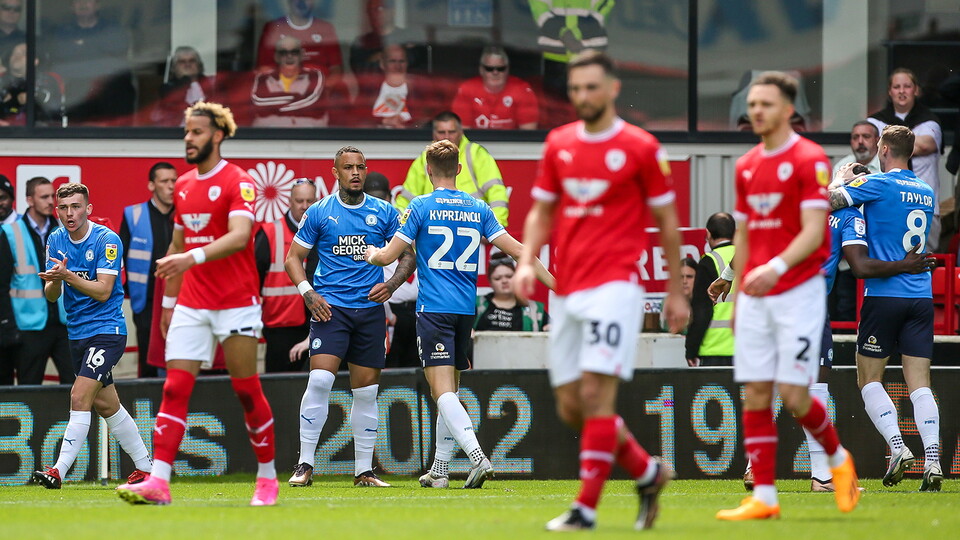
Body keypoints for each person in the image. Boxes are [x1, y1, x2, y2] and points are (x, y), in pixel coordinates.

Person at [511, 50, 684, 531]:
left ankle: (584, 508)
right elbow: (542, 212)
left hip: (616, 286)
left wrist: (674, 290)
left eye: (591, 87)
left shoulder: (642, 147)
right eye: (575, 89)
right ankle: (648, 472)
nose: (582, 96)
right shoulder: (558, 143)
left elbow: (667, 223)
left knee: (594, 395)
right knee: (571, 406)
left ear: (612, 89)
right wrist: (527, 261)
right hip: (566, 288)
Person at [366, 139, 554, 491]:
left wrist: (372, 253)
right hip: (465, 312)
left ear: (427, 171)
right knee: (449, 389)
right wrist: (560, 286)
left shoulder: (420, 205)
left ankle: (477, 456)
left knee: (441, 392)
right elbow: (519, 251)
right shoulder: (478, 207)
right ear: (460, 170)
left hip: (434, 309)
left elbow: (389, 256)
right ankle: (439, 470)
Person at [713, 71, 859, 521]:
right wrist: (738, 287)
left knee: (795, 394)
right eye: (751, 104)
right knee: (755, 393)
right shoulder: (746, 165)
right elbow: (746, 233)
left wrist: (773, 268)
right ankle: (765, 498)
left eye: (765, 104)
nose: (756, 110)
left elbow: (814, 230)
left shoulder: (809, 159)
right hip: (758, 295)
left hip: (798, 291)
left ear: (789, 110)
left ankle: (838, 460)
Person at [117, 102, 278, 506]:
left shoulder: (238, 182)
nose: (188, 138)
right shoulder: (184, 186)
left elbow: (241, 236)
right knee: (174, 389)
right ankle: (159, 481)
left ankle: (267, 478)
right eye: (186, 132)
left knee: (246, 390)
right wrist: (170, 302)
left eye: (197, 132)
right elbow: (176, 245)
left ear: (218, 135)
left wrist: (192, 257)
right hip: (192, 302)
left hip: (236, 302)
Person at [284, 146, 416, 489]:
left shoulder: (385, 212)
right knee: (319, 382)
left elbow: (408, 256)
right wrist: (308, 294)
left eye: (360, 167)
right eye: (348, 167)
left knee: (367, 393)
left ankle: (364, 472)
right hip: (331, 312)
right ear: (335, 172)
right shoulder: (318, 212)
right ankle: (304, 464)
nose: (355, 173)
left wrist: (391, 284)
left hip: (370, 313)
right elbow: (293, 258)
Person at [829, 125, 943, 492]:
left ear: (883, 149)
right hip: (921, 297)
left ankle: (897, 448)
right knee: (920, 386)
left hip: (884, 295)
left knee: (869, 379)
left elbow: (832, 202)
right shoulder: (925, 191)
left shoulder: (880, 184)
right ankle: (934, 460)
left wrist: (841, 180)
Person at [31, 182, 153, 488]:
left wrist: (68, 275)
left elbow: (103, 291)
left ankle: (57, 471)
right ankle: (146, 468)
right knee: (107, 405)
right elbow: (50, 295)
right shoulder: (55, 239)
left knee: (79, 394)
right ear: (56, 210)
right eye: (64, 208)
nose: (69, 213)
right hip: (78, 333)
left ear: (88, 209)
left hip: (108, 331)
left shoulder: (106, 240)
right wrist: (56, 280)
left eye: (75, 207)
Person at [0, 176, 72, 385]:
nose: (51, 202)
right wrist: (8, 326)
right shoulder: (10, 233)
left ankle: (71, 420)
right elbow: (3, 285)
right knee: (29, 388)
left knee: (75, 385)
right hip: (29, 326)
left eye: (53, 196)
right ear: (29, 200)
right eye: (44, 197)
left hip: (63, 323)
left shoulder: (65, 232)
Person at [868, 68, 942, 249]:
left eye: (907, 86)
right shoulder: (874, 122)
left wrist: (889, 141)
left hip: (924, 206)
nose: (901, 91)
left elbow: (926, 145)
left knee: (924, 261)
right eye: (896, 87)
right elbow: (869, 145)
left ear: (916, 90)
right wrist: (909, 143)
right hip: (887, 205)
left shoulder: (931, 122)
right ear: (889, 91)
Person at [396, 111, 509, 226]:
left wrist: (494, 227)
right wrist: (399, 225)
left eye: (452, 132)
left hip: (472, 228)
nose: (447, 137)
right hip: (434, 229)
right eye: (441, 132)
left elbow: (496, 193)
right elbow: (406, 199)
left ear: (461, 132)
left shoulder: (476, 154)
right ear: (433, 134)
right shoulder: (424, 159)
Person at [254, 178, 318, 373]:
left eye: (309, 201)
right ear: (289, 201)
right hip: (280, 326)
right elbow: (253, 279)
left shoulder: (325, 232)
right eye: (299, 201)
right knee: (280, 386)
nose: (304, 206)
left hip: (318, 321)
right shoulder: (271, 232)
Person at [119, 162, 176, 378]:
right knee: (148, 361)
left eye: (174, 180)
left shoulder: (185, 215)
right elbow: (119, 259)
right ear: (152, 185)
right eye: (164, 181)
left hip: (181, 299)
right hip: (147, 301)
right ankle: (148, 410)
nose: (171, 186)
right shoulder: (133, 214)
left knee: (180, 357)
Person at [363, 171, 419, 368]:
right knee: (388, 371)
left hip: (417, 312)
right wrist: (389, 314)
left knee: (419, 371)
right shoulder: (361, 228)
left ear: (390, 197)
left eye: (381, 198)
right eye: (372, 198)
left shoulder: (406, 221)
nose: (378, 204)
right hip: (388, 312)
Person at [45, 0, 134, 124]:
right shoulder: (63, 31)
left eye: (88, 0)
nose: (83, 4)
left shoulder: (113, 28)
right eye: (77, 1)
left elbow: (118, 55)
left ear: (98, 5)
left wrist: (80, 47)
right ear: (71, 7)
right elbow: (61, 55)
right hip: (76, 89)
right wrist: (99, 49)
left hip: (109, 88)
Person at [686, 212, 735, 367]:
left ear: (708, 233)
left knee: (714, 393)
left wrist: (691, 349)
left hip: (715, 350)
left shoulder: (708, 261)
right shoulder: (747, 257)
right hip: (748, 349)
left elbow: (701, 312)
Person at [451, 46, 539, 130]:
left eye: (501, 68)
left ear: (507, 69)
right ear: (481, 70)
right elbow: (462, 133)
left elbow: (528, 134)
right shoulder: (467, 89)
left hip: (511, 143)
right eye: (489, 69)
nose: (495, 72)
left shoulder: (522, 90)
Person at [250, 36, 330, 127]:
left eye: (294, 52)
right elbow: (259, 103)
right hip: (270, 137)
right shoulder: (262, 78)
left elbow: (313, 105)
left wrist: (272, 107)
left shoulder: (315, 76)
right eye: (283, 53)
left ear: (301, 55)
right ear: (277, 57)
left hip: (308, 137)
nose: (289, 56)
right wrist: (298, 99)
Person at [256, 0, 343, 80]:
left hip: (320, 90)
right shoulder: (274, 28)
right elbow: (264, 69)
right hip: (282, 90)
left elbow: (336, 69)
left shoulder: (325, 28)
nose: (301, 2)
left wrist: (325, 89)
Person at [475, 252, 549, 331]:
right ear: (490, 282)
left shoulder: (535, 310)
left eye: (509, 276)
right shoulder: (475, 305)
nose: (504, 281)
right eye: (498, 278)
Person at [349, 0, 425, 75]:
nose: (375, 13)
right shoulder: (362, 42)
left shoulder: (409, 36)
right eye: (371, 10)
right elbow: (361, 71)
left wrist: (379, 56)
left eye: (380, 8)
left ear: (392, 11)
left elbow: (416, 63)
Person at [0, 42, 63, 126]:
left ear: (35, 61)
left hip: (37, 132)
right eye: (14, 53)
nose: (17, 56)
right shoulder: (2, 80)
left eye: (23, 53)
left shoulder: (47, 80)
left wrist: (13, 100)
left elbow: (49, 104)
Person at [150, 46, 216, 126]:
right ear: (175, 67)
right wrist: (184, 81)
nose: (187, 64)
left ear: (198, 65)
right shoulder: (166, 89)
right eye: (182, 62)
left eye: (192, 61)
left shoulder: (212, 85)